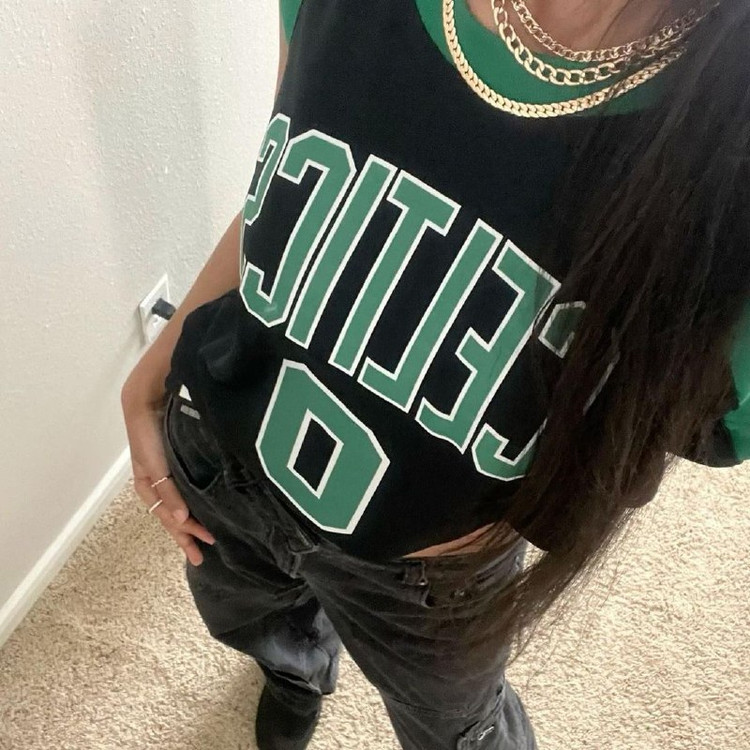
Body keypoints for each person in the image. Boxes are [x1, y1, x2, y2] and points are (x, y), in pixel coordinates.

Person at [120, 1, 750, 748]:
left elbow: (666, 426)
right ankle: (295, 669)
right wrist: (150, 374)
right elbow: (284, 190)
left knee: (459, 731)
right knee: (251, 615)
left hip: (426, 570)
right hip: (222, 460)